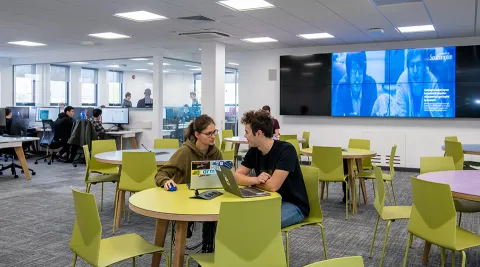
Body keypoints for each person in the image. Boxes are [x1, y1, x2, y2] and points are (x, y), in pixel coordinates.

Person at [155, 114, 222, 253]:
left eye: (214, 132)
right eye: (208, 133)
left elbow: (222, 175)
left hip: (209, 196)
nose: (213, 136)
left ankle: (207, 251)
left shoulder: (216, 153)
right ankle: (187, 226)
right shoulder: (184, 152)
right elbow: (161, 173)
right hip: (185, 199)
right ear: (197, 134)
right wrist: (166, 181)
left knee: (215, 217)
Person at [234, 110, 310, 228]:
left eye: (246, 132)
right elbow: (236, 176)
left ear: (258, 133)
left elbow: (272, 186)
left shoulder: (286, 150)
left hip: (293, 205)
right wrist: (255, 180)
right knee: (239, 218)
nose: (245, 136)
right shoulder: (254, 150)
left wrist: (248, 183)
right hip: (267, 200)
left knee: (261, 225)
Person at [395, 49, 444, 117]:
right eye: (412, 65)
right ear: (408, 68)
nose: (415, 71)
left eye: (418, 65)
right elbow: (400, 117)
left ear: (424, 66)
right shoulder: (402, 82)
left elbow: (438, 116)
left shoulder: (432, 82)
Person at [333, 52, 377, 116]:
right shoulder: (342, 86)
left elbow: (374, 116)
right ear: (348, 72)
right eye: (354, 70)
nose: (357, 76)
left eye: (360, 70)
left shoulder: (371, 85)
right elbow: (337, 115)